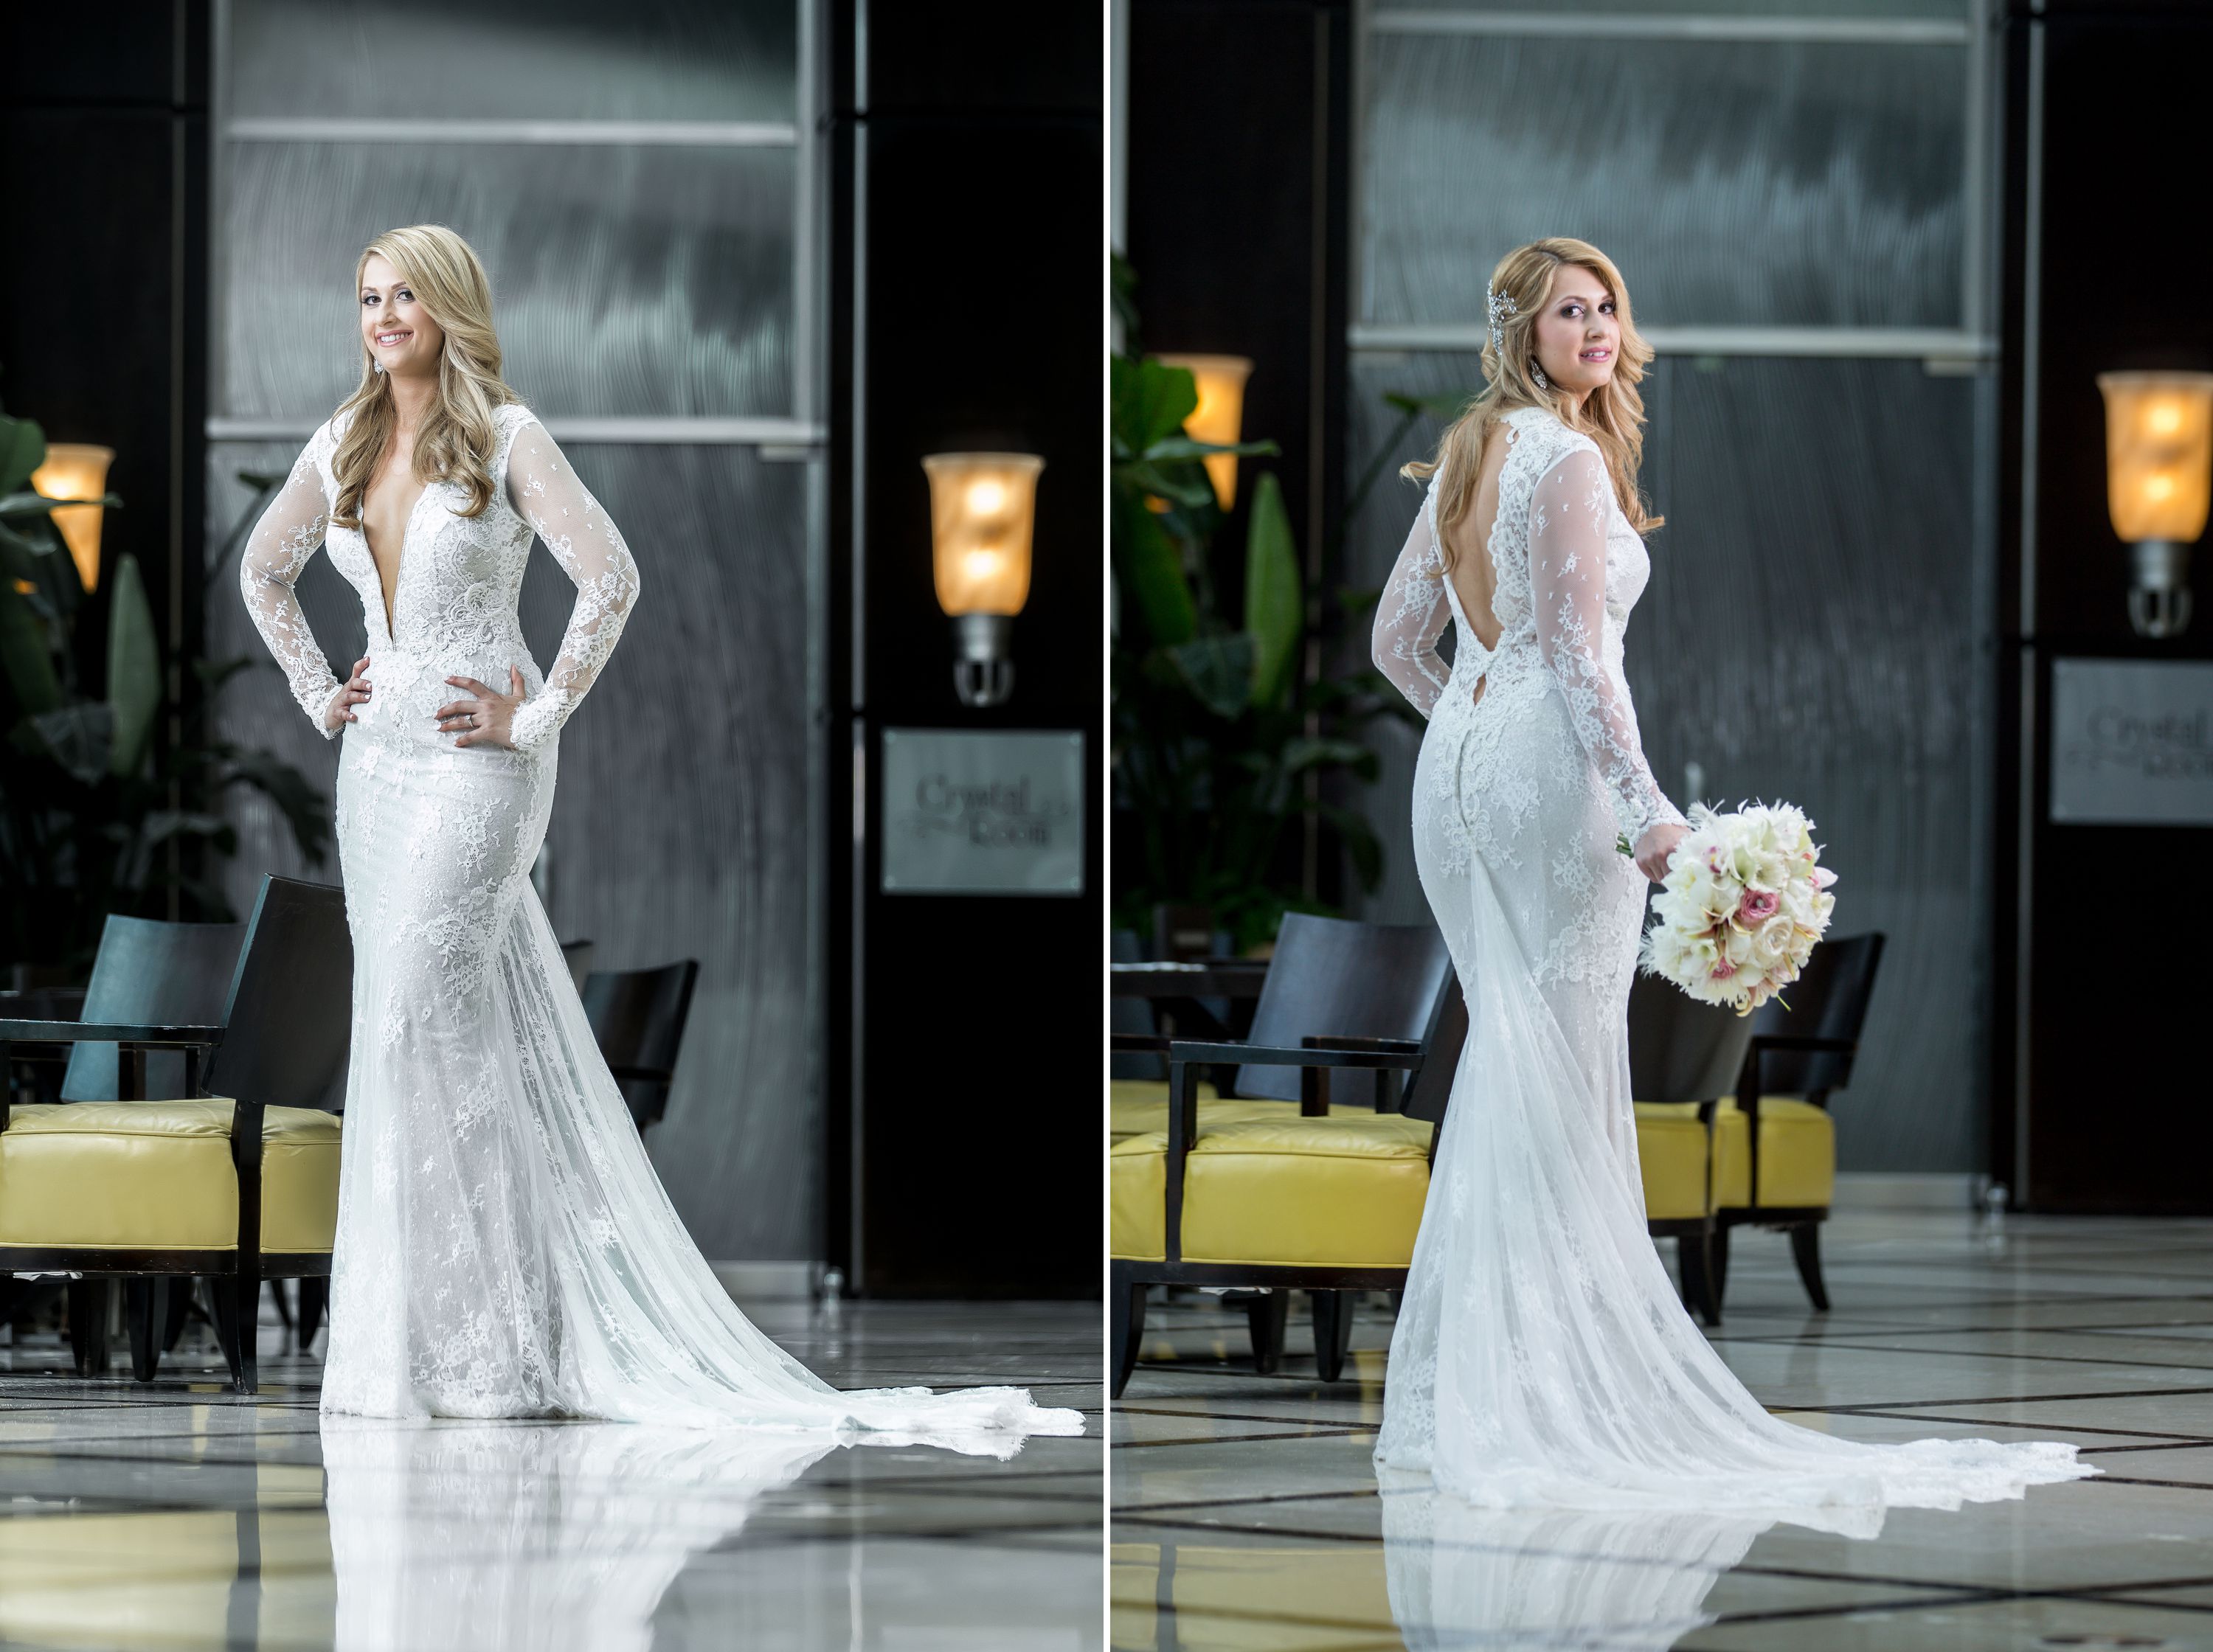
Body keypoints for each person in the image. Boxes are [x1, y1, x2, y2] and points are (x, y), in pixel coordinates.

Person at [239, 222, 1079, 1440]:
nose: (381, 317)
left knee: (429, 1011)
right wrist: (326, 694)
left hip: (482, 773)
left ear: (452, 308)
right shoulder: (344, 441)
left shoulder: (510, 437)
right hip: (378, 773)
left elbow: (612, 576)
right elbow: (267, 573)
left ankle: (502, 1349)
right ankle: (414, 1349)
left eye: (405, 295)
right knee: (401, 1036)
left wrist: (538, 711)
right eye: (367, 297)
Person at [1366, 236, 2084, 1510]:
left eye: (1607, 308)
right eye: (1567, 312)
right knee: (1570, 1065)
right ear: (1523, 333)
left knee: (1509, 1055)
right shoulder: (1570, 456)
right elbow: (1587, 669)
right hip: (1551, 778)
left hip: (1462, 780)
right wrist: (1650, 820)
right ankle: (1551, 1394)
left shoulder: (1472, 450)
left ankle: (1479, 1389)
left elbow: (1396, 645)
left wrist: (1475, 712)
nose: (1594, 328)